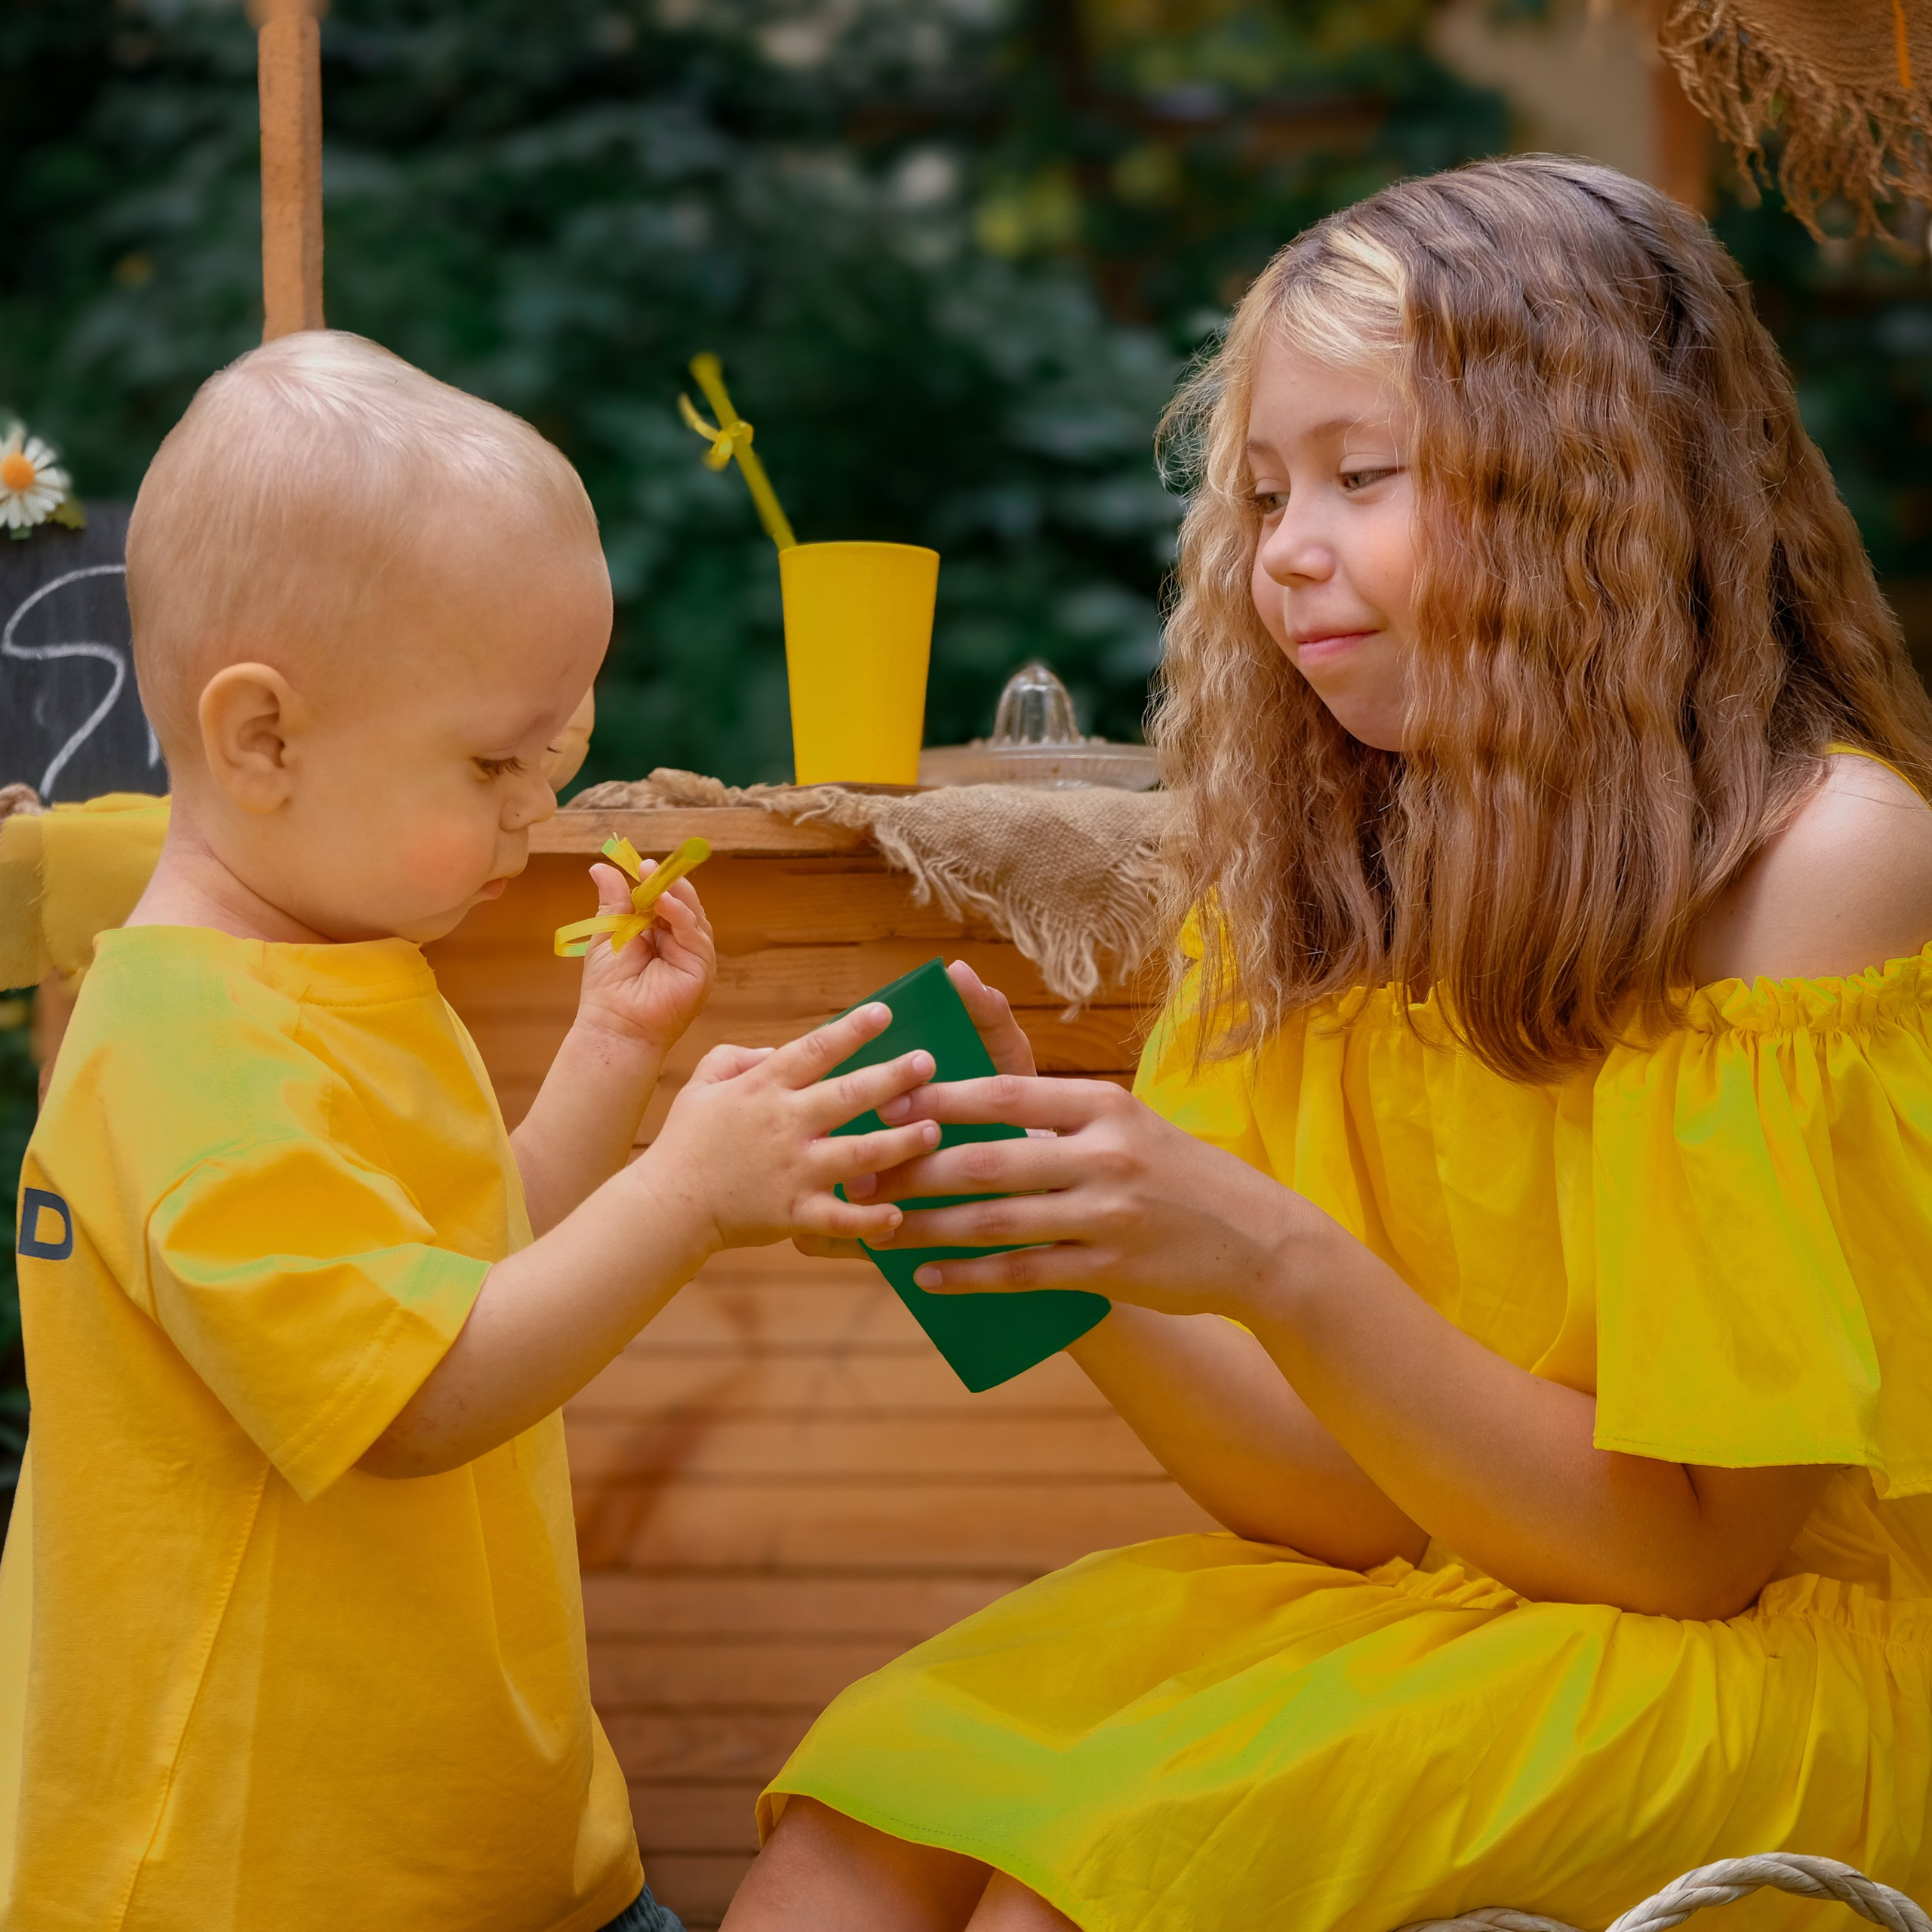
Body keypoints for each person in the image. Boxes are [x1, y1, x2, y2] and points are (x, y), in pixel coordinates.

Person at [722, 157, 1932, 1932]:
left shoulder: (1817, 862)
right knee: (851, 1832)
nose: (1284, 549)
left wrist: (1274, 1259)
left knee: (1089, 1880)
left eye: (1363, 478)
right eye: (1265, 489)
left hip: (1765, 1658)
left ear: (1588, 487)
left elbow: (1686, 1551)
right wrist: (1038, 1240)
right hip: (1441, 1602)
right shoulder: (1312, 865)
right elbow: (1334, 1509)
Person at [0, 331, 943, 1932]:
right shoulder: (186, 1062)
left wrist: (605, 1060)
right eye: (495, 761)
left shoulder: (333, 975)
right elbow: (420, 1394)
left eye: (557, 757)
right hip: (265, 1879)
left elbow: (448, 1261)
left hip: (478, 1849)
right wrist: (683, 1197)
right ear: (263, 740)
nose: (534, 809)